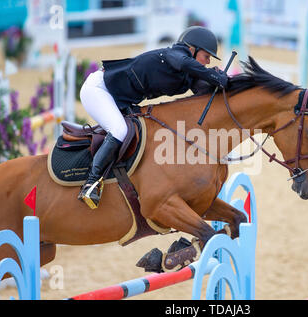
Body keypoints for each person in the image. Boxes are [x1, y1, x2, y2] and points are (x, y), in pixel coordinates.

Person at [78, 26, 229, 209]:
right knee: (119, 130)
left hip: (121, 99)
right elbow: (185, 63)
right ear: (192, 49)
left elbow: (202, 90)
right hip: (99, 89)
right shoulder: (174, 55)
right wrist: (212, 74)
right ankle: (90, 184)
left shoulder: (188, 74)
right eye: (206, 56)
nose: (207, 62)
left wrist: (223, 81)